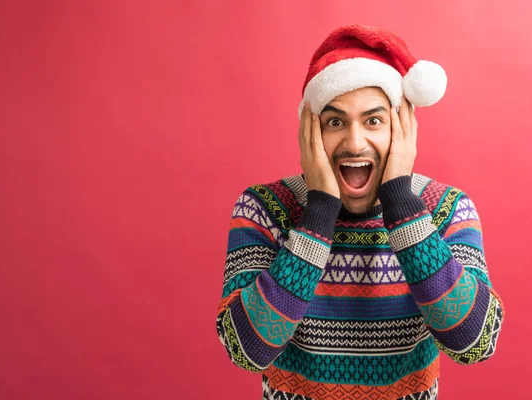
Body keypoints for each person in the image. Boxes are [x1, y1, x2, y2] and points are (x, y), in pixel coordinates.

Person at [215, 24, 505, 400]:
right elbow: (247, 350)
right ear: (311, 132)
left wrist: (402, 205)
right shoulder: (264, 208)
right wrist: (319, 213)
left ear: (401, 128)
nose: (354, 142)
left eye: (373, 121)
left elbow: (475, 343)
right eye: (335, 122)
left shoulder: (445, 208)